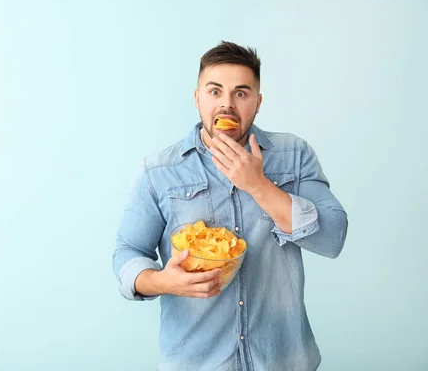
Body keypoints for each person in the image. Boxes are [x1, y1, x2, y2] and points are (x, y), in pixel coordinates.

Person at [111, 41, 348, 371]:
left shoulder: (294, 155)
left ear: (258, 102)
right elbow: (127, 251)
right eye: (214, 92)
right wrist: (161, 281)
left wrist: (259, 186)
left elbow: (333, 237)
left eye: (241, 93)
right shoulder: (159, 171)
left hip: (284, 360)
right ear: (197, 99)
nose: (227, 105)